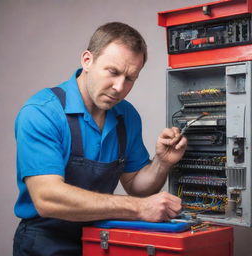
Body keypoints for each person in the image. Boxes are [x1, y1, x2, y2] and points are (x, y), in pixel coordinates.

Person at [13, 22, 187, 256]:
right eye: (113, 72)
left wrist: (162, 162)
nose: (119, 87)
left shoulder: (127, 115)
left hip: (100, 238)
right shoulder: (42, 112)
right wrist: (139, 208)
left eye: (130, 78)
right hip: (45, 241)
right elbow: (47, 198)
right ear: (87, 60)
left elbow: (136, 185)